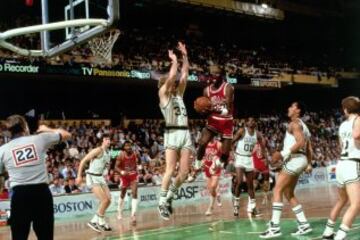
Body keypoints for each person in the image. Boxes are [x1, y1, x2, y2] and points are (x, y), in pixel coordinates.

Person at [0, 115, 71, 240]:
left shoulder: (3, 150)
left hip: (19, 196)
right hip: (41, 194)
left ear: (9, 130)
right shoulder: (39, 139)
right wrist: (47, 128)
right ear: (25, 127)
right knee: (45, 236)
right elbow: (66, 134)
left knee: (19, 236)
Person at [260, 102, 313, 238]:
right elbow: (308, 148)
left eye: (292, 107)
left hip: (295, 159)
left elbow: (301, 143)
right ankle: (304, 224)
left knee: (277, 190)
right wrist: (308, 163)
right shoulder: (304, 126)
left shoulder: (294, 123)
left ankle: (275, 228)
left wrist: (282, 154)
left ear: (298, 111)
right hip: (300, 160)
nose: (289, 108)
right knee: (289, 193)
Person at [157, 42, 193, 220]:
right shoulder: (163, 96)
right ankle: (162, 201)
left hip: (185, 133)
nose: (174, 83)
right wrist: (173, 61)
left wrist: (184, 56)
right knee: (170, 169)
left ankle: (170, 196)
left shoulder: (179, 95)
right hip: (172, 133)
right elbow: (172, 77)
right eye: (170, 82)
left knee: (185, 173)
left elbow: (184, 75)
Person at [322, 96, 360, 240]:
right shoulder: (359, 120)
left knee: (342, 200)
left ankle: (327, 232)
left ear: (345, 110)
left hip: (341, 164)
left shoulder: (343, 124)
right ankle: (340, 236)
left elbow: (340, 144)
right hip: (352, 164)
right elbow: (357, 135)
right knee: (356, 204)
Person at [195, 65, 234, 175]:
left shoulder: (228, 87)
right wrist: (202, 110)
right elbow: (206, 110)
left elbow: (227, 109)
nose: (214, 76)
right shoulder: (206, 90)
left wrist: (211, 107)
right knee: (202, 142)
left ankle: (217, 163)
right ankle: (198, 162)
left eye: (217, 73)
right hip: (213, 121)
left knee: (225, 155)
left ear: (221, 75)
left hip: (226, 121)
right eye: (212, 73)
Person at [76, 134, 112, 233]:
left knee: (109, 200)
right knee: (104, 200)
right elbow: (83, 161)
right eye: (106, 139)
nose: (108, 140)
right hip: (92, 176)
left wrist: (106, 173)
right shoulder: (98, 150)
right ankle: (93, 221)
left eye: (109, 139)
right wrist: (79, 176)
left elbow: (105, 166)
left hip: (100, 177)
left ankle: (101, 221)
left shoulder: (108, 152)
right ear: (102, 141)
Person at [232, 117, 266, 217]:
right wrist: (232, 152)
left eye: (253, 120)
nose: (252, 122)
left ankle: (253, 207)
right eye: (250, 120)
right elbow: (232, 141)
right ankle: (236, 204)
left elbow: (262, 146)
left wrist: (264, 157)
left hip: (249, 159)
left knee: (250, 185)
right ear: (246, 123)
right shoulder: (242, 131)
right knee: (239, 182)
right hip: (240, 158)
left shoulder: (258, 134)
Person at [115, 140, 139, 224]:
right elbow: (116, 167)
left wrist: (139, 167)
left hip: (133, 175)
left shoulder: (135, 153)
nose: (128, 147)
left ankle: (133, 215)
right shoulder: (121, 155)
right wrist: (121, 172)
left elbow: (137, 163)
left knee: (135, 193)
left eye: (129, 145)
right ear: (124, 147)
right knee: (123, 194)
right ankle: (119, 210)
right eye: (126, 146)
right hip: (124, 176)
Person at [202, 138, 222, 216]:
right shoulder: (205, 144)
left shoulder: (219, 144)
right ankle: (216, 195)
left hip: (215, 168)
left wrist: (218, 163)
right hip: (207, 167)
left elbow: (224, 156)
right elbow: (203, 155)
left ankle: (210, 207)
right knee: (210, 190)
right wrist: (202, 161)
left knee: (213, 186)